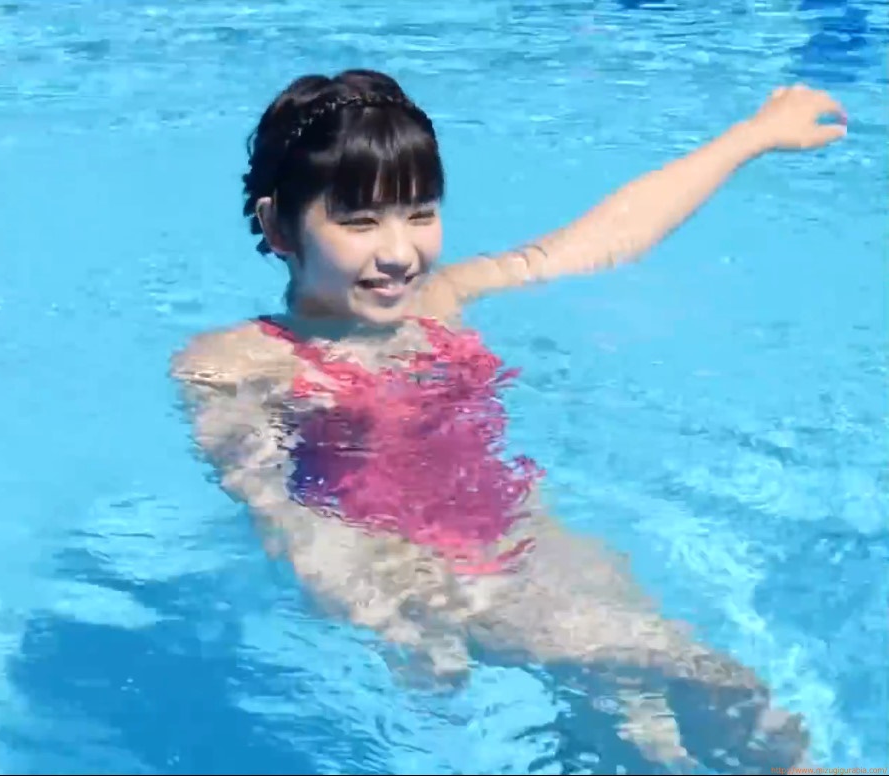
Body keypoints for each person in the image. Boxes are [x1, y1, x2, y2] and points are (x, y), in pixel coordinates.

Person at [170, 69, 847, 773]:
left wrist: (749, 138)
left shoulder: (440, 304)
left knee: (660, 735)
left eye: (420, 214)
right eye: (360, 222)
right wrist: (377, 601)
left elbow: (603, 239)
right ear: (279, 225)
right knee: (710, 683)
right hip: (424, 576)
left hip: (532, 542)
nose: (399, 252)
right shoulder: (240, 362)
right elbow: (275, 507)